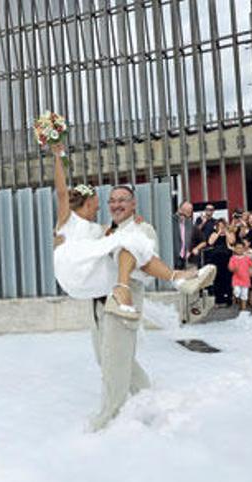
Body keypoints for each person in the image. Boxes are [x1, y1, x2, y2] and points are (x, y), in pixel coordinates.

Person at [85, 184, 214, 432]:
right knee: (108, 359)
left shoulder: (142, 229)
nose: (116, 204)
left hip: (123, 304)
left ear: (134, 204)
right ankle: (146, 396)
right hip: (98, 305)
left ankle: (109, 419)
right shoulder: (106, 232)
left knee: (115, 363)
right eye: (112, 200)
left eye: (123, 199)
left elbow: (144, 267)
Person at [50, 143, 213, 319]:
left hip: (86, 281)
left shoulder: (97, 229)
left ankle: (176, 278)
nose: (98, 212)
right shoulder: (67, 220)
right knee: (130, 241)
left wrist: (133, 224)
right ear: (88, 203)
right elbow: (61, 193)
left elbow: (115, 232)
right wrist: (59, 157)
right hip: (73, 267)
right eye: (96, 207)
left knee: (132, 246)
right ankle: (171, 278)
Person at [206, 218, 234, 306]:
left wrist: (226, 232)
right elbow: (210, 242)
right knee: (217, 278)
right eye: (219, 226)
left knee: (227, 278)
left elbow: (232, 241)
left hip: (226, 258)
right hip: (216, 258)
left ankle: (228, 298)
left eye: (223, 226)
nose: (221, 228)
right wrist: (218, 233)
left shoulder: (229, 233)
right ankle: (219, 299)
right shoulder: (214, 234)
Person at [173, 201, 207, 269]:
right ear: (179, 209)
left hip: (188, 261)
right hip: (173, 260)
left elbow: (203, 241)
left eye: (187, 215)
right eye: (181, 214)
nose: (183, 217)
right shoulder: (170, 223)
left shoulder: (190, 225)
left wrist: (196, 248)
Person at [228, 243, 252, 312]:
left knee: (244, 295)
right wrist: (234, 268)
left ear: (243, 249)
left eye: (241, 248)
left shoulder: (246, 258)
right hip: (236, 279)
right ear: (234, 249)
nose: (239, 250)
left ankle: (243, 309)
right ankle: (237, 301)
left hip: (246, 280)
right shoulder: (233, 258)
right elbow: (230, 268)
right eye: (237, 248)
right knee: (237, 292)